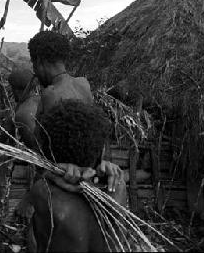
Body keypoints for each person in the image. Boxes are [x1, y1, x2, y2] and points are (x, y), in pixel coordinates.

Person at [26, 31, 123, 193]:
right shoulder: (83, 84)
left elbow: (42, 145)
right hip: (92, 171)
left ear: (40, 61)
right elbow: (94, 129)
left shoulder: (50, 93)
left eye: (34, 65)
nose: (35, 71)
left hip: (67, 176)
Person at [25, 100, 126, 252]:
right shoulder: (118, 186)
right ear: (100, 151)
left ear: (47, 149)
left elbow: (34, 244)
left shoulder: (44, 192)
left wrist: (48, 174)